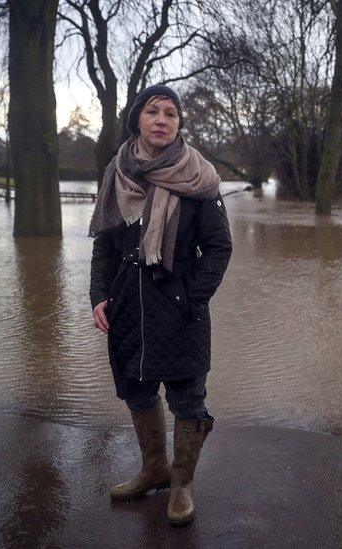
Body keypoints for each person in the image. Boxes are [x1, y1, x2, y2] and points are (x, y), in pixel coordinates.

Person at [87, 84, 232, 526]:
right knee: (137, 389)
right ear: (138, 120)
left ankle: (182, 484)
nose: (163, 120)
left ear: (179, 124)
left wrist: (192, 296)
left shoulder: (198, 178)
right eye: (153, 111)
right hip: (128, 306)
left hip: (181, 308)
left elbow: (219, 247)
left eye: (172, 113)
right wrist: (99, 295)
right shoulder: (117, 172)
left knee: (188, 399)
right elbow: (105, 244)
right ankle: (153, 469)